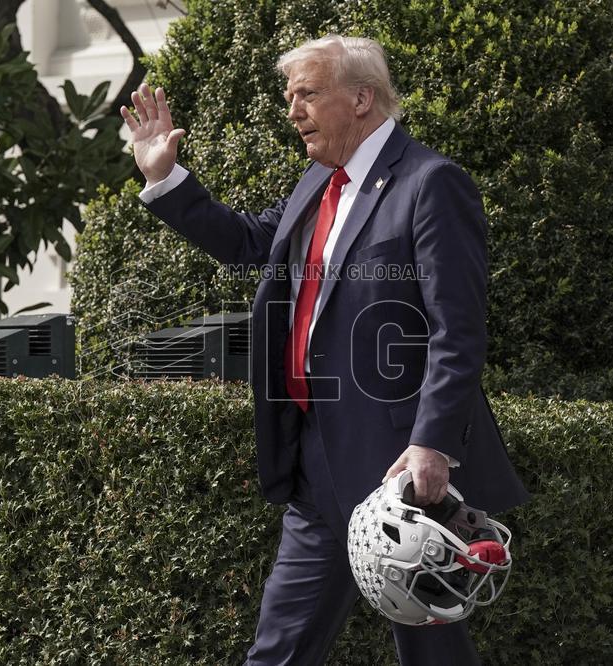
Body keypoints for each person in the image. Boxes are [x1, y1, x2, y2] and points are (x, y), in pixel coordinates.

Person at [121, 34, 528, 665]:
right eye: (290, 96)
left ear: (362, 98)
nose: (293, 111)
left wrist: (433, 443)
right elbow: (249, 240)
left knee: (433, 648)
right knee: (280, 647)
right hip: (315, 465)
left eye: (307, 94)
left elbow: (458, 329)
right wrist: (165, 178)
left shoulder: (432, 183)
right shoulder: (321, 180)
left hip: (399, 465)